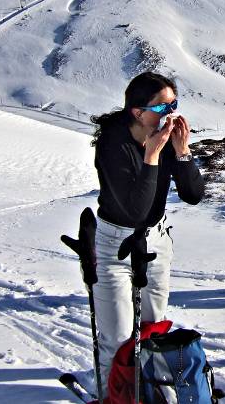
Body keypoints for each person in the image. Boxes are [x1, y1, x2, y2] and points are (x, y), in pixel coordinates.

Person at [90, 72, 205, 395]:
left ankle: (147, 391)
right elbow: (135, 210)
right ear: (137, 113)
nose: (170, 115)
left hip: (155, 241)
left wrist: (182, 151)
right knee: (117, 335)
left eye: (174, 105)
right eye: (160, 108)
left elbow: (193, 194)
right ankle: (111, 396)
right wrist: (152, 155)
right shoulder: (114, 144)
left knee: (152, 329)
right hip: (116, 243)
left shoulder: (164, 138)